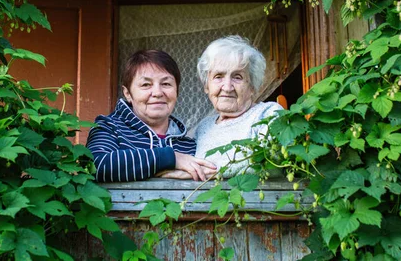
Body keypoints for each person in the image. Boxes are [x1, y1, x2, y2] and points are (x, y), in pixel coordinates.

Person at [86, 50, 216, 182]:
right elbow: (94, 166)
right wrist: (172, 158)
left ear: (177, 90)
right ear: (127, 93)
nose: (157, 93)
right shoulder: (108, 128)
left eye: (166, 84)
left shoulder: (190, 144)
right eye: (146, 84)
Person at [192, 35, 283, 178]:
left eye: (237, 77)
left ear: (252, 86)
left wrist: (206, 172)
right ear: (206, 85)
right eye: (218, 76)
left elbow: (270, 161)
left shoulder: (268, 114)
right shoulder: (203, 127)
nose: (227, 87)